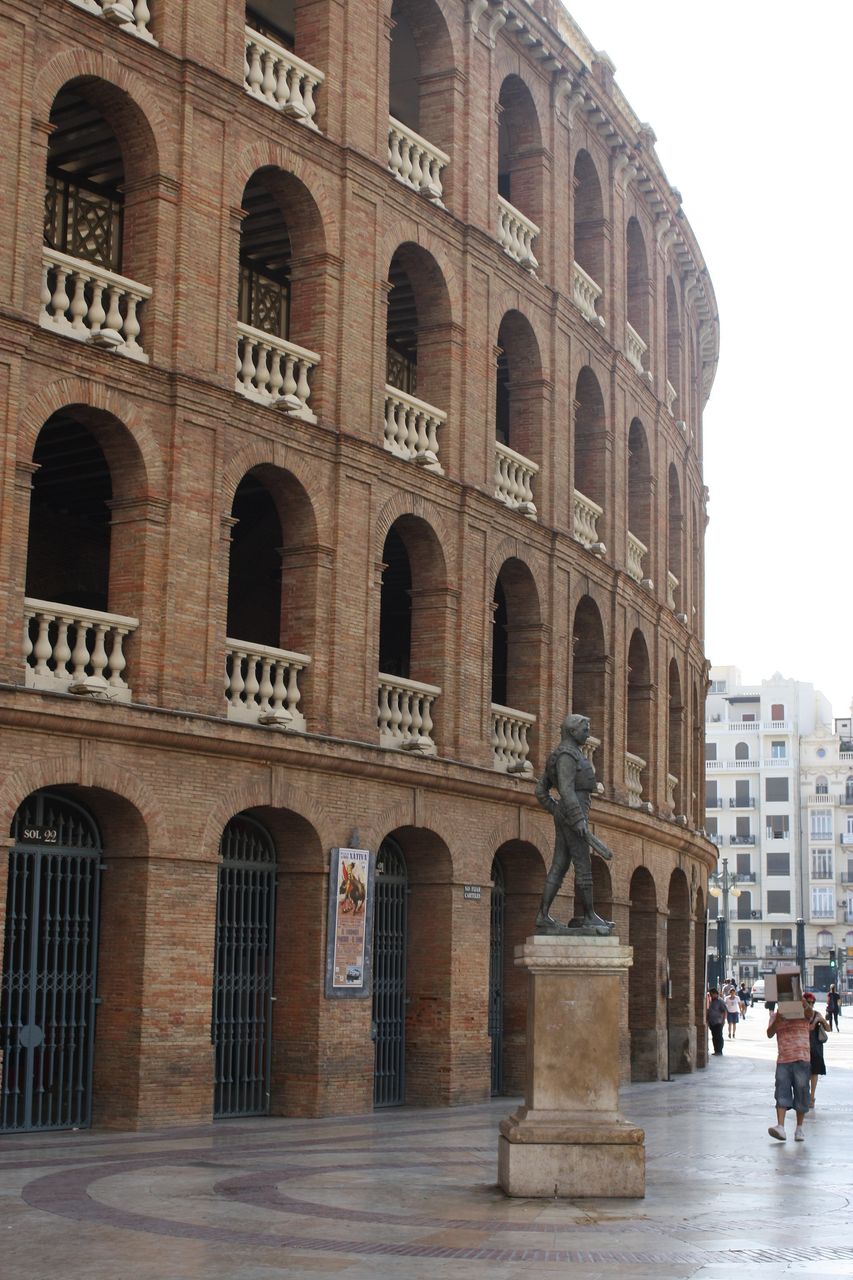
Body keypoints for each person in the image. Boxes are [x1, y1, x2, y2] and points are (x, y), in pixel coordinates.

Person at [535, 714, 612, 933]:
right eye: (584, 730)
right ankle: (589, 916)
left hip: (568, 814)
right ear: (571, 731)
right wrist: (576, 818)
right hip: (574, 815)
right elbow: (566, 790)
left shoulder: (562, 754)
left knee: (560, 865)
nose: (588, 733)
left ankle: (543, 915)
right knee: (583, 865)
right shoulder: (567, 755)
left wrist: (557, 811)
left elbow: (540, 791)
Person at [766, 997, 812, 1141]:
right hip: (783, 1060)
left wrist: (803, 1002)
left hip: (802, 1058)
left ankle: (799, 1128)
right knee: (781, 1092)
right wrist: (778, 1019)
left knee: (802, 1092)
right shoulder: (776, 1016)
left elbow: (810, 1014)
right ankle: (780, 1127)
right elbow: (769, 1033)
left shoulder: (803, 1013)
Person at [803, 991, 829, 1109]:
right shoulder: (800, 1015)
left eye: (812, 1002)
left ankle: (812, 1097)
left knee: (814, 1072)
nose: (811, 1005)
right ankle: (805, 1095)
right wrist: (812, 1025)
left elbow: (828, 1029)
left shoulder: (817, 1014)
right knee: (804, 1073)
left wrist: (822, 1020)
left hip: (816, 1047)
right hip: (803, 1046)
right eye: (808, 1002)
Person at [707, 987, 727, 1056]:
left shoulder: (720, 1001)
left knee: (718, 1036)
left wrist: (723, 1021)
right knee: (714, 1037)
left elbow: (724, 1011)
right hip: (712, 1022)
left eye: (711, 994)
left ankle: (719, 1051)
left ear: (715, 994)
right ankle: (716, 1050)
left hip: (718, 1022)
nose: (711, 996)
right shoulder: (711, 1001)